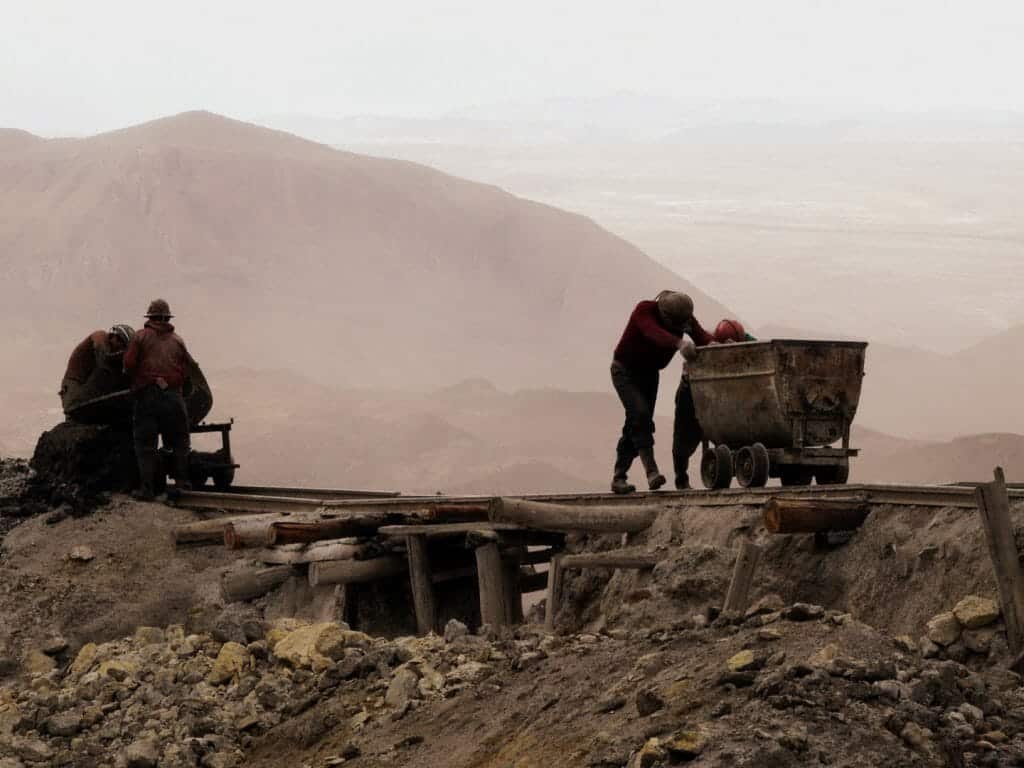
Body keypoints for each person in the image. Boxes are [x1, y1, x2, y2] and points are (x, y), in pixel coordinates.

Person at [610, 291, 713, 494]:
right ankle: (651, 472)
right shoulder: (644, 310)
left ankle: (619, 476)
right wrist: (679, 343)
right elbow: (652, 332)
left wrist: (717, 345)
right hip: (625, 371)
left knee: (637, 422)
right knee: (640, 415)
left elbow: (702, 337)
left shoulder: (685, 319)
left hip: (650, 374)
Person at [672, 318, 756, 489]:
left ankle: (725, 463)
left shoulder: (744, 338)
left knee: (727, 428)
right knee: (685, 436)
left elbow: (760, 349)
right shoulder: (705, 340)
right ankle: (681, 478)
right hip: (692, 389)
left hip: (724, 389)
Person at [123, 299, 195, 500]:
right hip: (173, 396)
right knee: (179, 442)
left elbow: (128, 364)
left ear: (150, 318)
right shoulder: (178, 341)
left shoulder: (140, 337)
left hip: (147, 395)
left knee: (146, 444)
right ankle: (182, 485)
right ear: (167, 318)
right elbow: (188, 369)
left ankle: (147, 490)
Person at [59, 324, 135, 414]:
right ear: (115, 337)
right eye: (122, 344)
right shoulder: (100, 336)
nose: (120, 348)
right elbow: (103, 357)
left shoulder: (109, 351)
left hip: (87, 383)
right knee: (73, 409)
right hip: (75, 382)